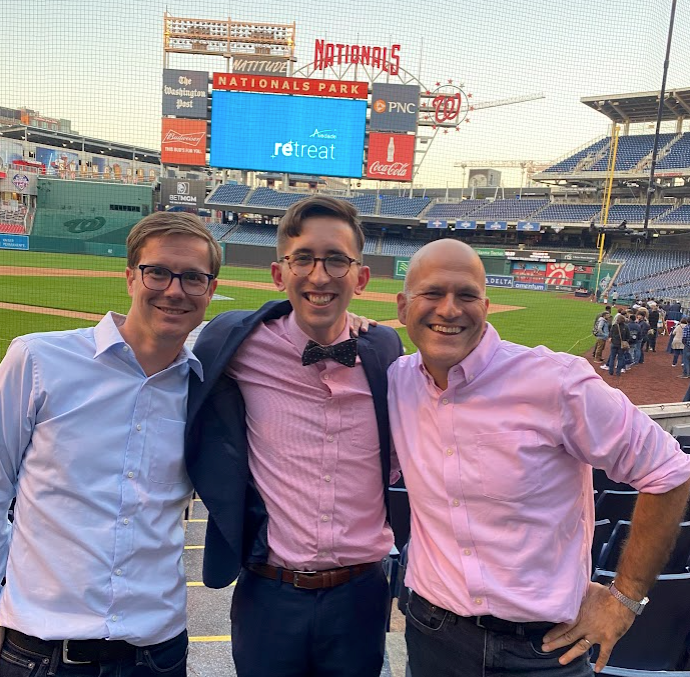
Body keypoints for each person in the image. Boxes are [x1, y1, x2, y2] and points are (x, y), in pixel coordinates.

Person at [387, 240, 690, 677]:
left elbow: (671, 472)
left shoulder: (556, 382)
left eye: (466, 295)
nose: (449, 309)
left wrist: (624, 599)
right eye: (432, 293)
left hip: (544, 651)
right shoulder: (398, 381)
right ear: (403, 307)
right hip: (432, 633)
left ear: (486, 306)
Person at [185, 196, 403, 677]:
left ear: (360, 278)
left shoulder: (385, 348)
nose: (319, 275)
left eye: (336, 260)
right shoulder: (232, 341)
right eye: (302, 258)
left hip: (361, 595)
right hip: (268, 593)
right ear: (279, 274)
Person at [0, 212, 221, 676]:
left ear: (210, 289)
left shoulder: (207, 388)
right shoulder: (37, 358)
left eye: (193, 278)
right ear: (129, 277)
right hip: (39, 651)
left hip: (157, 653)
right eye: (157, 271)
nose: (174, 289)